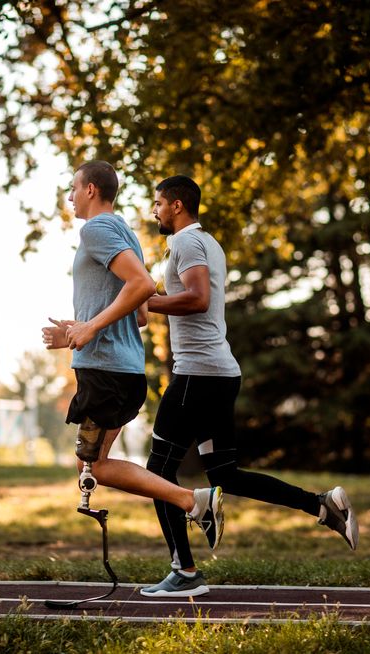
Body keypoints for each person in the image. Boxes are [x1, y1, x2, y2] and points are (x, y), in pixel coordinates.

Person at [140, 175, 359, 598]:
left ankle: (184, 573)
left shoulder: (186, 243)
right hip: (219, 374)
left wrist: (144, 300)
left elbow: (199, 298)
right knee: (225, 475)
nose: (155, 210)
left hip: (197, 376)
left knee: (157, 472)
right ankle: (322, 504)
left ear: (178, 205)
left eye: (159, 203)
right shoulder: (209, 243)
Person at [42, 161, 225, 550]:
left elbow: (141, 285)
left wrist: (90, 329)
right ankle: (192, 506)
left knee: (92, 465)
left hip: (105, 371)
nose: (70, 197)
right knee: (93, 463)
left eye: (73, 189)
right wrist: (78, 328)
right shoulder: (125, 232)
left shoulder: (96, 229)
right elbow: (139, 312)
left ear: (91, 190)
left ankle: (192, 500)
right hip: (122, 370)